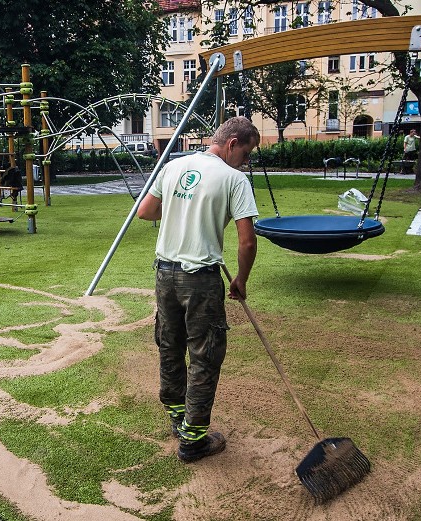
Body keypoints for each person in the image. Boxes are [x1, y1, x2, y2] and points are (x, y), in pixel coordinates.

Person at [137, 116, 259, 463]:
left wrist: (183, 209)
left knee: (170, 345)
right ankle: (193, 440)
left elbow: (146, 212)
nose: (246, 162)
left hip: (165, 274)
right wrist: (241, 279)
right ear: (232, 143)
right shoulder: (234, 179)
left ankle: (178, 418)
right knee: (205, 354)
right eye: (246, 153)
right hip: (200, 280)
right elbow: (247, 242)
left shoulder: (175, 165)